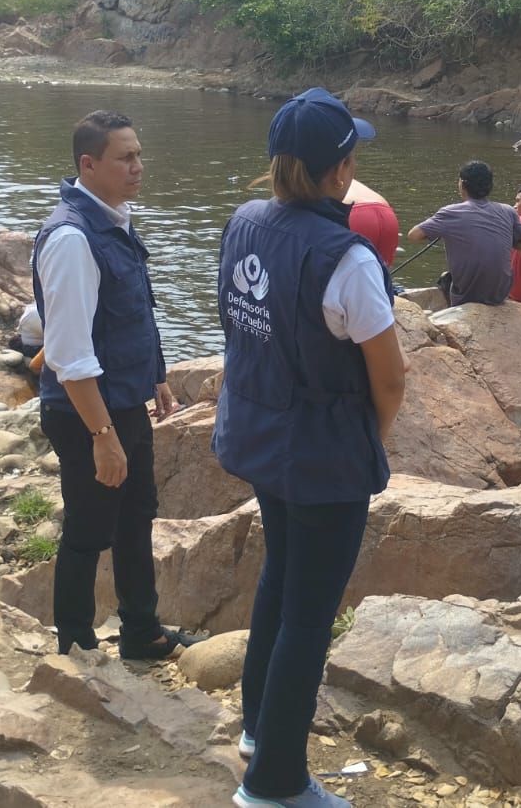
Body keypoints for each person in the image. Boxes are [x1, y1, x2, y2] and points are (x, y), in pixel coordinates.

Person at [212, 87, 405, 808]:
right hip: (323, 455)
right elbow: (389, 375)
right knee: (309, 614)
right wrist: (369, 446)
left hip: (263, 438)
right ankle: (274, 785)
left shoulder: (244, 222)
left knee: (280, 580)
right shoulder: (345, 256)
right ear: (340, 169)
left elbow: (236, 326)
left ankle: (262, 730)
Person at [32, 110, 199, 661]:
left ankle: (141, 632)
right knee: (89, 526)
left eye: (138, 154)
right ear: (88, 164)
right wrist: (102, 434)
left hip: (124, 401)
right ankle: (75, 644)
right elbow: (68, 354)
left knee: (136, 515)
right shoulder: (72, 240)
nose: (138, 167)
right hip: (87, 412)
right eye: (125, 157)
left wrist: (156, 375)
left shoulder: (114, 221)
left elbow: (132, 313)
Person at [408, 161, 521, 306]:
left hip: (467, 297)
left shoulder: (450, 212)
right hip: (500, 294)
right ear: (490, 186)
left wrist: (441, 229)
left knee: (445, 279)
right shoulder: (508, 210)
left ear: (462, 184)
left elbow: (413, 236)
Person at [343, 178, 399, 268]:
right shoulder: (347, 175)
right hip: (386, 214)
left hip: (353, 213)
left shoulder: (317, 176)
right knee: (380, 276)